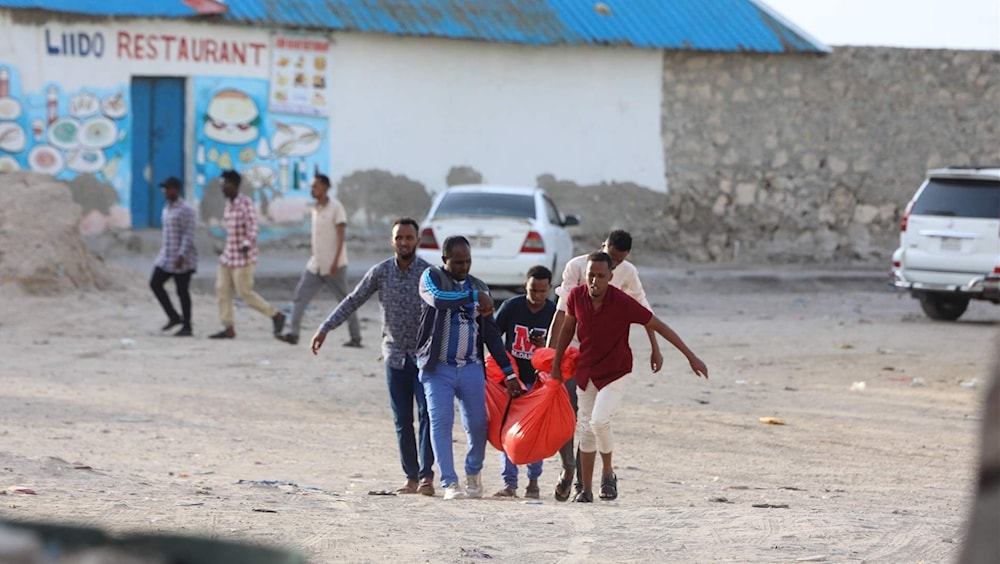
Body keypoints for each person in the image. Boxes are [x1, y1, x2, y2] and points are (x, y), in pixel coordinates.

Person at [549, 251, 708, 503]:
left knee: (599, 422)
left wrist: (690, 356)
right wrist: (555, 365)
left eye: (601, 276)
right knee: (586, 429)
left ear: (610, 277)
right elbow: (567, 329)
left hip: (616, 371)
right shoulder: (576, 296)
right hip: (587, 370)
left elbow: (658, 325)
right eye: (591, 275)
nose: (594, 281)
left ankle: (608, 473)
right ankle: (586, 490)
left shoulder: (622, 301)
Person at [310, 218, 435, 495]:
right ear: (392, 241)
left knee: (427, 415)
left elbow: (448, 308)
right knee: (402, 420)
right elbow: (353, 299)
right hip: (394, 357)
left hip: (424, 357)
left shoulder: (429, 274)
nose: (404, 242)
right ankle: (411, 478)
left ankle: (427, 477)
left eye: (409, 237)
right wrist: (325, 327)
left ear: (417, 240)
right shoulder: (381, 272)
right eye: (399, 237)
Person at [546, 229, 663, 501]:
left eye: (618, 261)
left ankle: (586, 482)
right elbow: (561, 313)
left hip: (604, 354)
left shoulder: (627, 272)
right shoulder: (577, 267)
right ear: (601, 247)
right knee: (569, 415)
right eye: (610, 256)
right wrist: (550, 355)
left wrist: (655, 347)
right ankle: (568, 469)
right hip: (573, 351)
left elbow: (645, 310)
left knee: (591, 421)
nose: (614, 264)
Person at [416, 236, 518, 500]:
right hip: (437, 368)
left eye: (468, 261)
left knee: (478, 424)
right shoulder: (432, 278)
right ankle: (449, 482)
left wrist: (508, 372)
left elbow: (492, 334)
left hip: (471, 366)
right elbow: (438, 300)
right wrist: (472, 296)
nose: (464, 267)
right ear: (445, 260)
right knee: (441, 422)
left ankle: (473, 472)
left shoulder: (479, 286)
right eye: (458, 262)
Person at [491, 265, 556, 499]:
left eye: (541, 291)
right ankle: (509, 484)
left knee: (534, 433)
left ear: (549, 289)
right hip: (513, 380)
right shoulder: (512, 307)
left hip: (539, 382)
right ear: (525, 286)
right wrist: (504, 373)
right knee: (508, 431)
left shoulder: (553, 312)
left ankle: (534, 481)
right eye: (532, 290)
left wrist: (543, 347)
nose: (536, 296)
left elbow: (560, 348)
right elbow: (493, 337)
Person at [279, 174, 361, 347]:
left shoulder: (336, 207)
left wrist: (335, 262)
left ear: (324, 187)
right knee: (301, 296)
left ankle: (356, 337)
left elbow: (341, 238)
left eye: (315, 186)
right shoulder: (316, 209)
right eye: (312, 186)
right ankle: (293, 334)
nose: (312, 190)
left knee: (345, 302)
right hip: (316, 264)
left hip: (335, 266)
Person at [208, 169, 286, 340]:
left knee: (245, 293)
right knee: (222, 290)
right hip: (228, 255)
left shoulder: (246, 203)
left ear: (234, 185)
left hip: (244, 257)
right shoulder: (228, 206)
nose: (223, 188)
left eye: (225, 184)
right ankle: (228, 327)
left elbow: (253, 227)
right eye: (222, 185)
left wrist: (245, 244)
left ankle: (275, 315)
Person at [149, 176, 197, 337]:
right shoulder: (167, 208)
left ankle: (188, 326)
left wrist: (182, 254)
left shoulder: (186, 210)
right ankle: (174, 316)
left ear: (176, 190)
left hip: (182, 258)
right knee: (155, 283)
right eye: (164, 189)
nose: (165, 192)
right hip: (166, 256)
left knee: (182, 291)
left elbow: (188, 234)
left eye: (168, 188)